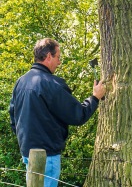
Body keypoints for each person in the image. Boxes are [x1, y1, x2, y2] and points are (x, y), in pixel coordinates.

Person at [9, 38, 106, 187]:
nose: (59, 62)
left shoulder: (21, 82)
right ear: (49, 56)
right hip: (47, 156)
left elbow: (13, 119)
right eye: (58, 57)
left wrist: (26, 140)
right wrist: (95, 98)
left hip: (28, 152)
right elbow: (78, 115)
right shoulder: (51, 84)